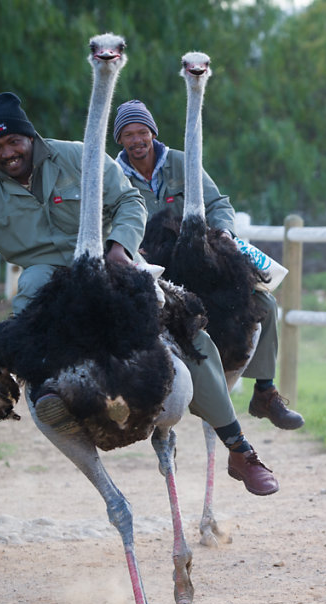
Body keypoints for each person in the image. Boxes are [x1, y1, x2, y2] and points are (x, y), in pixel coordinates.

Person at [0, 92, 279, 496]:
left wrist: (121, 247)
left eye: (13, 141)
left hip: (105, 261)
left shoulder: (77, 157)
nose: (7, 152)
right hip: (45, 280)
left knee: (185, 325)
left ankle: (238, 448)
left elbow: (129, 201)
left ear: (30, 137)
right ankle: (53, 406)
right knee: (19, 335)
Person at [112, 99, 304, 431]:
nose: (136, 140)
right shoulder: (112, 173)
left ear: (152, 133)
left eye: (142, 132)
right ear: (120, 140)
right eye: (128, 134)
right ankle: (119, 395)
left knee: (263, 302)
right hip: (146, 264)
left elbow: (217, 202)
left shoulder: (181, 163)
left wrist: (225, 234)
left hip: (192, 259)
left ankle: (265, 392)